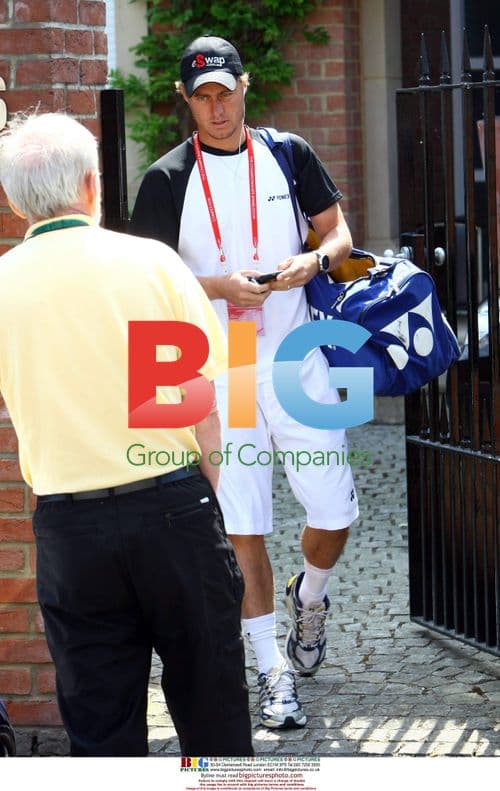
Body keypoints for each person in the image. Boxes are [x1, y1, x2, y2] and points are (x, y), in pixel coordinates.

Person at [0, 112, 253, 757]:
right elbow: (199, 405)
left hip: (68, 527)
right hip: (172, 508)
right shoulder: (150, 264)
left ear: (11, 199)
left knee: (101, 729)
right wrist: (209, 490)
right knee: (215, 713)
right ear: (93, 186)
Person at [130, 35, 359, 730]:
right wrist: (215, 286)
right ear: (184, 100)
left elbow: (339, 233)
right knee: (241, 525)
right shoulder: (166, 178)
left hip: (296, 350)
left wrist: (313, 263)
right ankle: (273, 672)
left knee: (334, 507)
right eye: (201, 96)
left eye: (225, 91)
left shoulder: (288, 153)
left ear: (245, 86)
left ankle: (309, 599)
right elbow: (147, 279)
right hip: (214, 358)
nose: (216, 106)